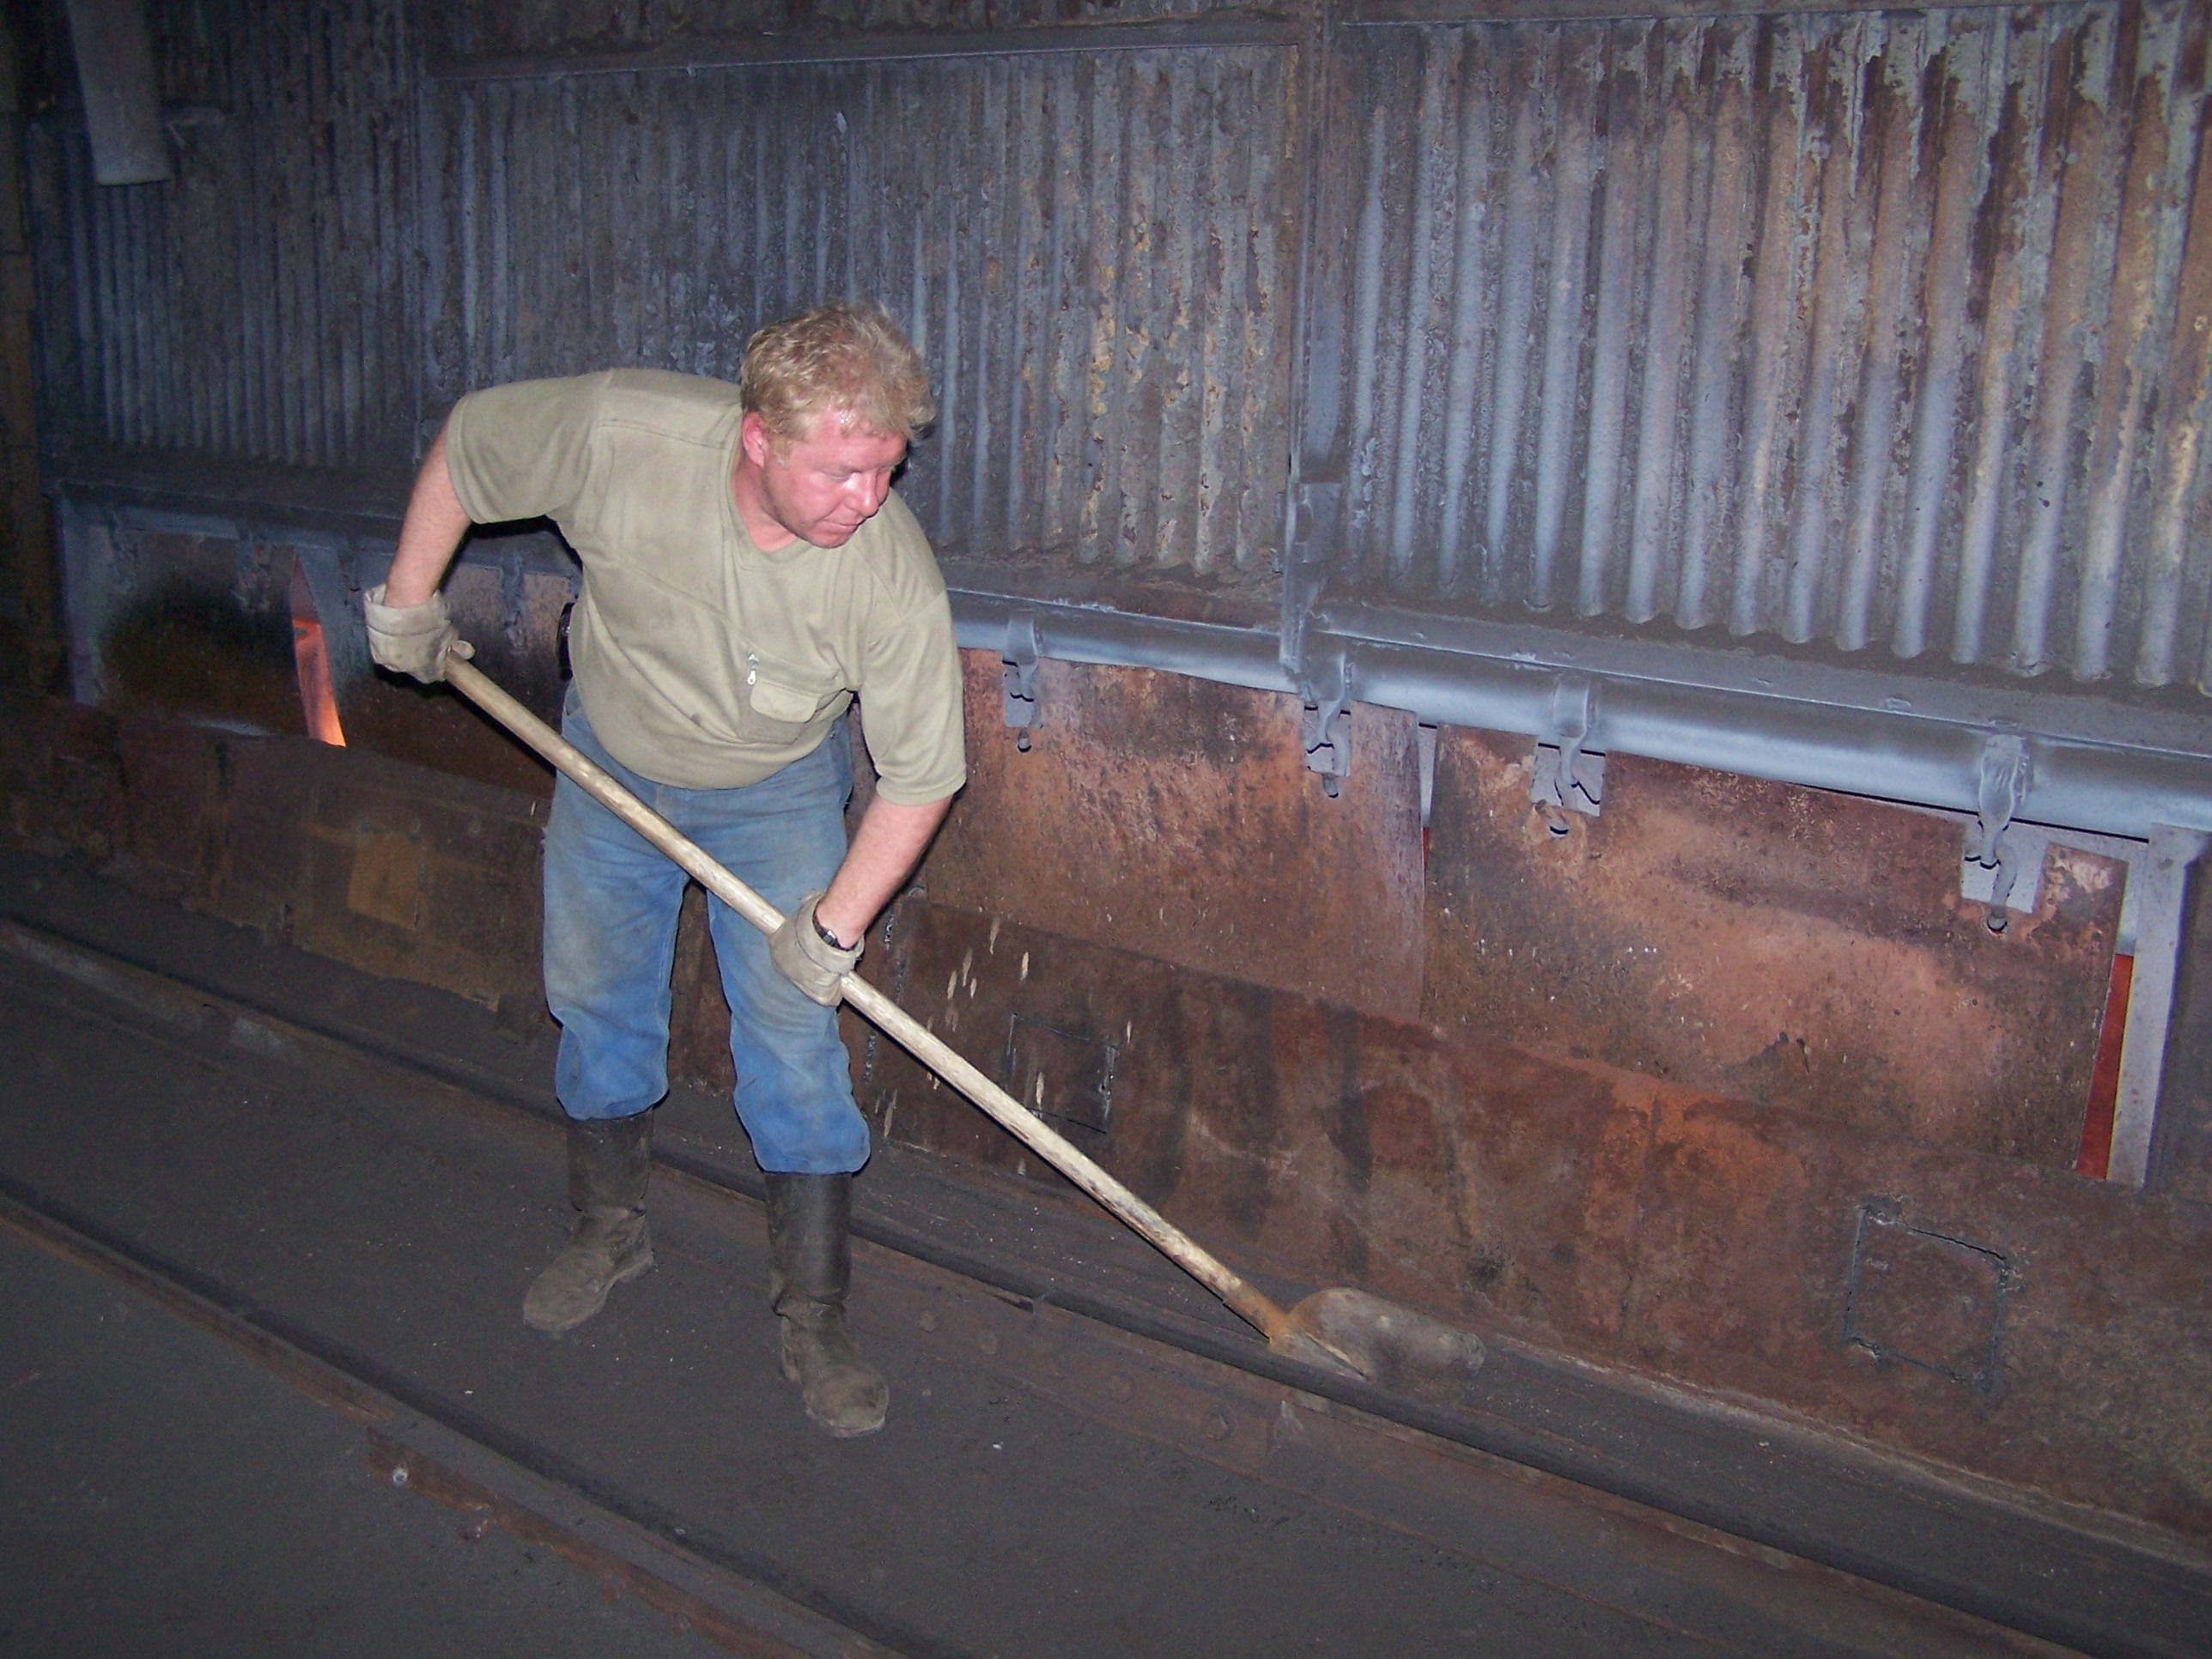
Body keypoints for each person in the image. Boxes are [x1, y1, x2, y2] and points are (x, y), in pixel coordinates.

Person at [363, 302, 966, 1438]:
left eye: (886, 470)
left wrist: (831, 930)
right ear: (756, 439)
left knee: (792, 1038)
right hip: (614, 756)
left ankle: (815, 1315)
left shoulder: (887, 578)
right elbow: (469, 449)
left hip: (777, 785)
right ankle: (608, 1230)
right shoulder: (621, 432)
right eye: (841, 473)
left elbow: (922, 779)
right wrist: (407, 597)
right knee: (595, 995)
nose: (869, 500)